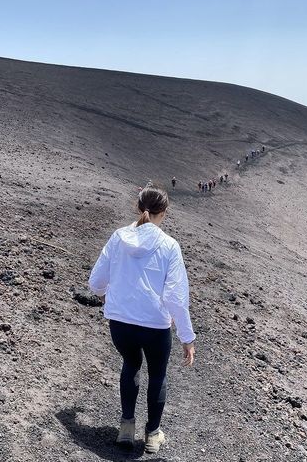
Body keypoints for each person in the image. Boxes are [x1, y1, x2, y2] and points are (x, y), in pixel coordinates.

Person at [88, 186, 196, 454]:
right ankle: (153, 434)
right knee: (157, 374)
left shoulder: (118, 237)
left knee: (130, 364)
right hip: (155, 326)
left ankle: (126, 429)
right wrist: (187, 337)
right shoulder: (169, 246)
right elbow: (175, 297)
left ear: (138, 207)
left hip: (120, 323)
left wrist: (104, 296)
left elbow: (96, 281)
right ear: (165, 213)